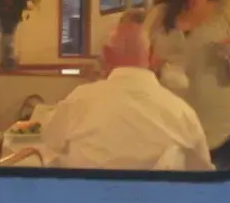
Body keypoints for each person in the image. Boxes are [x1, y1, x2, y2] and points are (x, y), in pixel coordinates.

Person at [40, 17, 214, 172]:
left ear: (106, 55)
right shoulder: (182, 113)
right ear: (152, 55)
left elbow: (48, 140)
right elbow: (205, 175)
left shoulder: (80, 100)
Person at [146, 0, 230, 170]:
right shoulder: (160, 14)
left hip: (221, 125)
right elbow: (138, 56)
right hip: (171, 124)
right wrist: (150, 65)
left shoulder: (228, 11)